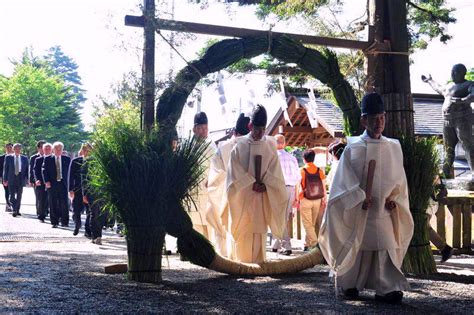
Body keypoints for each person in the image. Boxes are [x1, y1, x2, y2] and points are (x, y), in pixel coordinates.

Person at [319, 93, 414, 304]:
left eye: (381, 118)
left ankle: (386, 287)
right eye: (373, 118)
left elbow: (400, 181)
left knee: (384, 244)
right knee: (357, 244)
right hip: (360, 208)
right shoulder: (353, 148)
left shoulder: (393, 146)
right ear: (364, 120)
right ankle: (348, 284)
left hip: (385, 210)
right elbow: (342, 183)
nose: (379, 123)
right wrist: (358, 197)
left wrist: (394, 199)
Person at [226, 105, 288, 263]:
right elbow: (234, 172)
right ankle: (241, 262)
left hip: (262, 197)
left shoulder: (270, 145)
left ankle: (259, 261)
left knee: (260, 229)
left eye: (263, 129)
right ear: (249, 126)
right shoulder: (239, 146)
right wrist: (249, 182)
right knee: (245, 228)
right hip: (244, 196)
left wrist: (266, 184)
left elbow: (276, 172)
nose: (260, 133)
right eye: (256, 128)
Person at [207, 113, 250, 257]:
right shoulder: (252, 146)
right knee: (243, 226)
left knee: (222, 225)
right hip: (246, 192)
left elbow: (215, 172)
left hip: (225, 191)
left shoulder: (223, 146)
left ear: (234, 132)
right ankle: (241, 256)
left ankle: (225, 257)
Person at [422, 64, 474, 179]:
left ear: (462, 73)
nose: (452, 74)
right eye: (452, 72)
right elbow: (439, 88)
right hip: (447, 120)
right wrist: (430, 81)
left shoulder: (468, 84)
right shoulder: (449, 86)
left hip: (462, 119)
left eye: (455, 72)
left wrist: (463, 100)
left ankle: (473, 172)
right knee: (448, 148)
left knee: (468, 146)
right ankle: (445, 174)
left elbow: (473, 95)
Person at [271, 134, 301, 256]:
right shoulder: (292, 158)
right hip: (291, 189)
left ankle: (286, 245)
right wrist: (297, 196)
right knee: (283, 217)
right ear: (284, 144)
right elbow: (298, 178)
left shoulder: (272, 157)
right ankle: (276, 244)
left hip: (277, 188)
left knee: (277, 217)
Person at [189, 111, 216, 239]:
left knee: (208, 226)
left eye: (206, 128)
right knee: (194, 225)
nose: (204, 131)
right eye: (200, 128)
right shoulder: (188, 146)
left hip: (207, 191)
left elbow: (218, 167)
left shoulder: (211, 146)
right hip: (192, 193)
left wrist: (211, 179)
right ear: (194, 129)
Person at [296, 149, 327, 251]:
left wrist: (296, 199)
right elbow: (323, 186)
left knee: (308, 224)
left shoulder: (302, 170)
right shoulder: (319, 170)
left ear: (304, 159)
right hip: (317, 199)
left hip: (305, 199)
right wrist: (324, 199)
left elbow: (298, 187)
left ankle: (315, 244)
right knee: (311, 224)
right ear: (314, 158)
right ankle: (307, 244)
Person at [42, 141, 71, 228]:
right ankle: (54, 222)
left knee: (64, 203)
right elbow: (44, 171)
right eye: (56, 149)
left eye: (60, 149)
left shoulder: (67, 159)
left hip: (64, 184)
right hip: (52, 184)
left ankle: (65, 221)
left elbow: (70, 173)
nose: (58, 150)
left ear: (62, 150)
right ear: (53, 150)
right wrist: (46, 181)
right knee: (53, 202)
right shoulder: (48, 159)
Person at [81, 145, 106, 245]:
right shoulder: (87, 162)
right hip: (92, 192)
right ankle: (96, 236)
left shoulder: (105, 159)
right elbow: (84, 179)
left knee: (103, 215)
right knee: (94, 213)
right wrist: (84, 194)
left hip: (104, 192)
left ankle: (97, 234)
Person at [68, 143, 92, 236]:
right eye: (85, 150)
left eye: (89, 151)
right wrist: (70, 189)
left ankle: (87, 230)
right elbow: (70, 176)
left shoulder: (93, 161)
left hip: (89, 190)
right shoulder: (75, 161)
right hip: (77, 190)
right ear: (82, 151)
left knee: (89, 211)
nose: (87, 152)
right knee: (76, 210)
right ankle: (77, 224)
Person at [3, 143, 29, 217]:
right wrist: (5, 180)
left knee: (19, 195)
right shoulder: (8, 157)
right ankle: (14, 208)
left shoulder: (24, 158)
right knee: (11, 196)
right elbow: (6, 169)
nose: (17, 150)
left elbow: (27, 169)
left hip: (20, 178)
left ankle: (17, 210)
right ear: (13, 149)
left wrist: (28, 180)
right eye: (16, 148)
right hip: (11, 178)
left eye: (19, 149)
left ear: (21, 150)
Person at [34, 142, 52, 222]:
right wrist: (36, 180)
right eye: (45, 149)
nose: (47, 150)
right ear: (43, 150)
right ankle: (41, 216)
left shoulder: (54, 159)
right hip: (41, 182)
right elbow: (35, 170)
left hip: (51, 183)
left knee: (49, 200)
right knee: (41, 199)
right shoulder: (38, 159)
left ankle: (48, 213)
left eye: (49, 149)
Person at [30, 140, 46, 218]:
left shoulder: (49, 156)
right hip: (37, 180)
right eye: (41, 147)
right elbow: (32, 170)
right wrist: (32, 180)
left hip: (47, 180)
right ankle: (39, 212)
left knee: (47, 197)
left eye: (44, 147)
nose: (42, 149)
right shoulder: (34, 157)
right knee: (39, 197)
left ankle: (45, 211)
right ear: (38, 148)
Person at [0, 143, 13, 212]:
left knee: (13, 192)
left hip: (14, 178)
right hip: (5, 178)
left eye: (10, 147)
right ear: (5, 148)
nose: (9, 149)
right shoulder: (1, 157)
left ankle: (12, 204)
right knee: (7, 191)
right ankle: (8, 205)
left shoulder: (15, 157)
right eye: (8, 147)